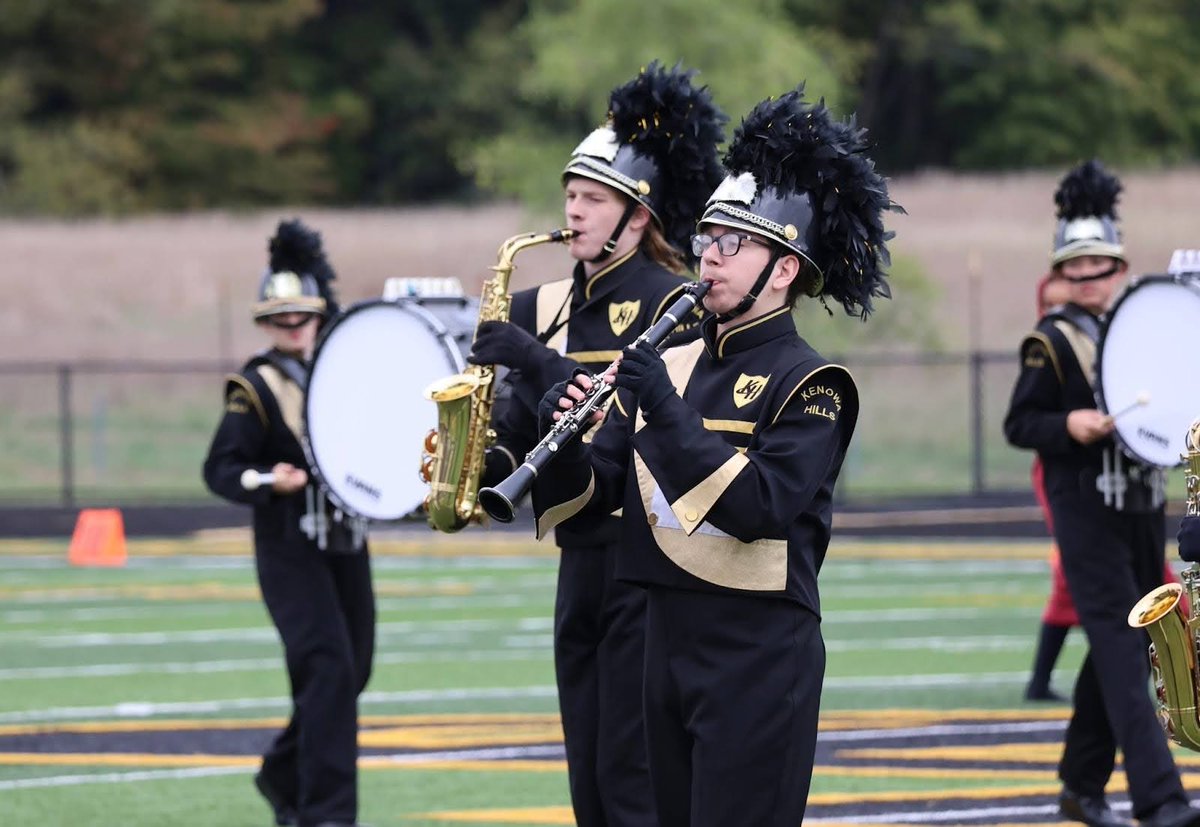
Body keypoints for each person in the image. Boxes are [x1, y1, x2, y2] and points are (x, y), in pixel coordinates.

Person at [528, 86, 896, 827]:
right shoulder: (675, 357)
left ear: (784, 269)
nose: (709, 256)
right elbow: (600, 495)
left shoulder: (813, 384)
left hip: (755, 651)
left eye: (734, 243)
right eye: (706, 237)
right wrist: (558, 438)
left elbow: (758, 505)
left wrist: (660, 408)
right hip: (659, 641)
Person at [466, 61, 726, 827]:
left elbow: (623, 414)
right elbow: (521, 424)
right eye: (570, 195)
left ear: (637, 218)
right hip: (576, 555)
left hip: (645, 562)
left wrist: (534, 358)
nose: (573, 211)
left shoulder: (672, 303)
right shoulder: (538, 303)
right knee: (588, 772)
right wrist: (477, 460)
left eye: (593, 199)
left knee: (632, 770)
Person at [1004, 160, 1200, 827]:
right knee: (1123, 650)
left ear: (1120, 267)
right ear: (1058, 276)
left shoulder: (1142, 327)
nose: (1088, 281)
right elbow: (1019, 423)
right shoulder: (1052, 341)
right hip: (1086, 510)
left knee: (1131, 647)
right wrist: (1070, 423)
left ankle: (1079, 785)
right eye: (1075, 270)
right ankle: (1163, 799)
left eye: (1100, 268)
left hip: (1141, 508)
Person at [203, 220, 374, 827]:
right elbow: (220, 469)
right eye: (279, 319)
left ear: (318, 314)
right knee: (326, 669)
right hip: (289, 544)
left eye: (300, 316)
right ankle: (327, 814)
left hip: (346, 540)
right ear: (265, 324)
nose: (292, 328)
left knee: (353, 669)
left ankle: (282, 769)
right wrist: (266, 480)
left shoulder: (343, 372)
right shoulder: (254, 386)